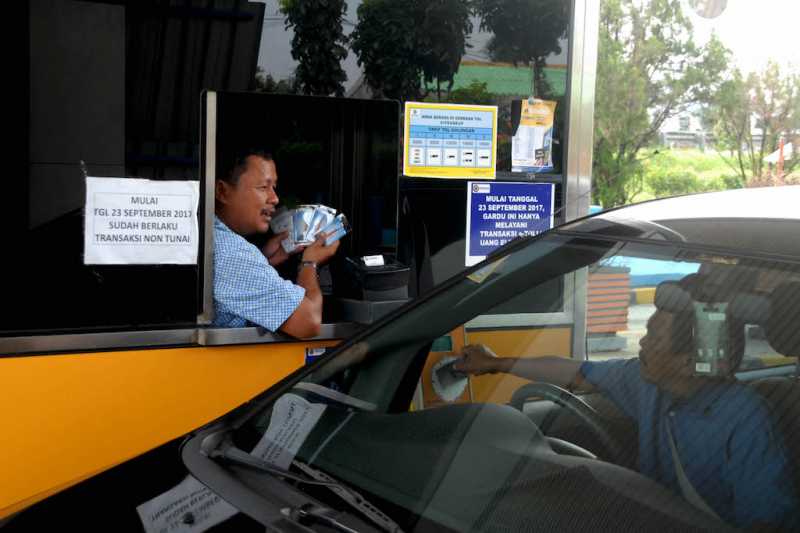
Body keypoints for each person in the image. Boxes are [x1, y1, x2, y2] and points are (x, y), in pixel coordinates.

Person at [453, 287, 798, 530]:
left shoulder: (746, 419)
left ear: (688, 362)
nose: (642, 342)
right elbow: (573, 371)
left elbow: (765, 524)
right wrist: (495, 363)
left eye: (654, 337)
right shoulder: (645, 381)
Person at [213, 150, 339, 338]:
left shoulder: (211, 237)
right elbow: (309, 322)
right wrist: (310, 263)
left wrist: (265, 259)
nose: (275, 198)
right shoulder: (232, 252)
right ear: (222, 191)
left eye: (274, 187)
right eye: (264, 187)